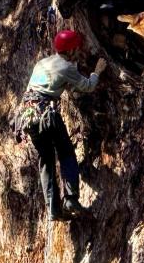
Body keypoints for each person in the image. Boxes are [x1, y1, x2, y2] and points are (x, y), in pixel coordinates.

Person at [22, 29, 106, 221]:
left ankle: (53, 209)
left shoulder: (42, 63)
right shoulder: (68, 67)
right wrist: (97, 72)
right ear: (71, 50)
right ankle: (70, 199)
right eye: (77, 48)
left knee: (46, 161)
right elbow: (87, 86)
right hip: (46, 114)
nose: (79, 50)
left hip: (28, 116)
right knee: (66, 153)